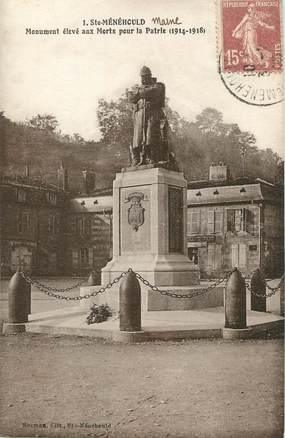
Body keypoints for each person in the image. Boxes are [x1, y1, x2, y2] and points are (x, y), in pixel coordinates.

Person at [129, 66, 168, 166]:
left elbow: (150, 92)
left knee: (150, 137)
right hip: (140, 115)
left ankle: (152, 157)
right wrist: (139, 92)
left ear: (150, 76)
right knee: (138, 138)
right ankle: (137, 159)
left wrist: (139, 91)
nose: (143, 79)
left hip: (152, 114)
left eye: (145, 76)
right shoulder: (139, 88)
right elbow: (131, 98)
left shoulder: (159, 85)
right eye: (142, 77)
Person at [232, 2, 275, 69]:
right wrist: (234, 31)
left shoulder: (252, 16)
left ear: (254, 9)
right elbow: (240, 24)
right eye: (249, 7)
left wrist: (270, 27)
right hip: (249, 34)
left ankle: (264, 61)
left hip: (250, 34)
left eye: (252, 8)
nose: (251, 9)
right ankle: (250, 64)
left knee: (253, 49)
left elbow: (262, 24)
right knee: (249, 49)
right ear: (248, 9)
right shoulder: (249, 16)